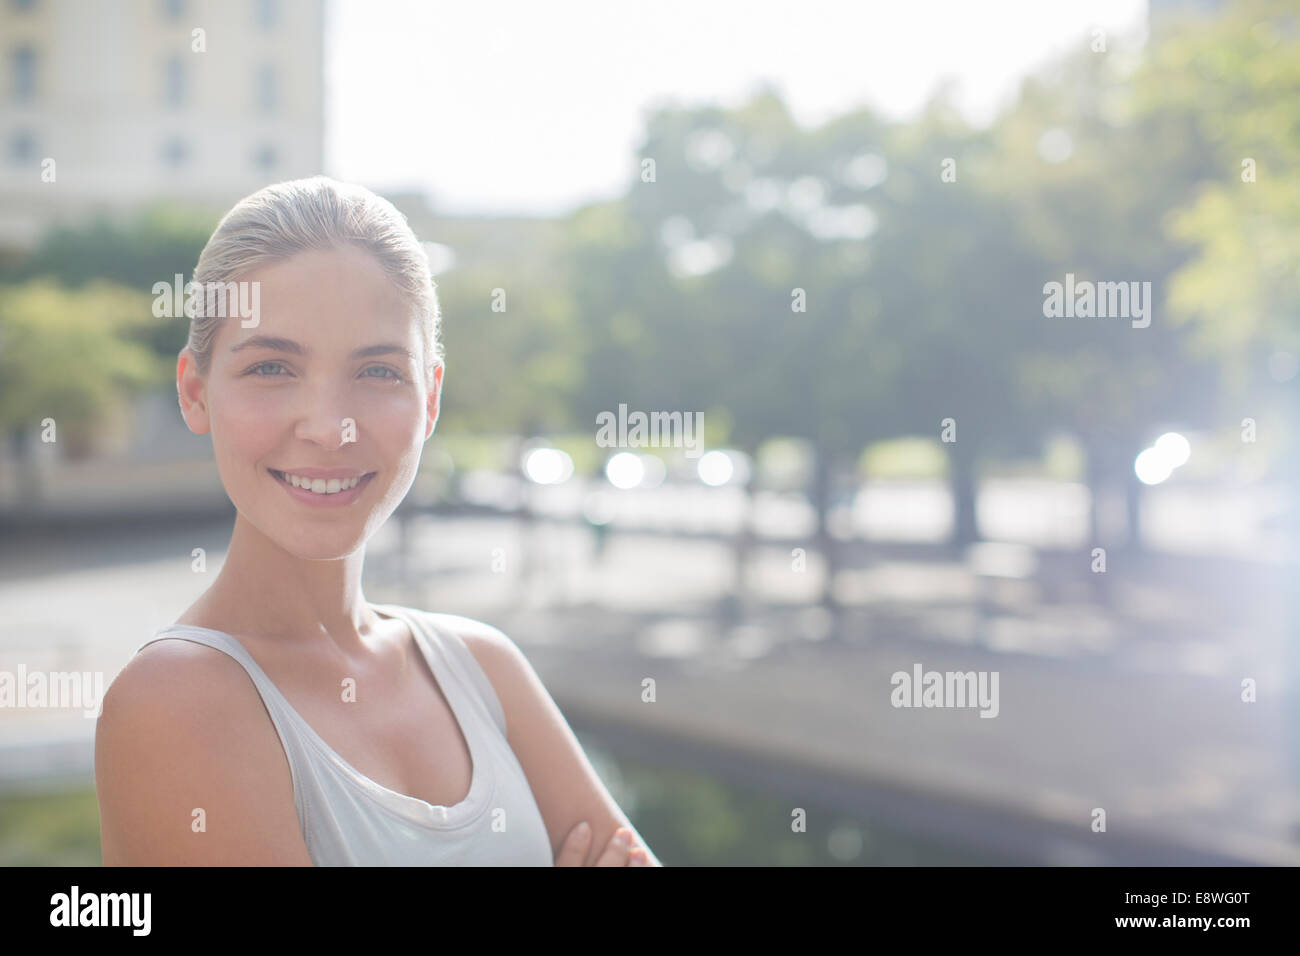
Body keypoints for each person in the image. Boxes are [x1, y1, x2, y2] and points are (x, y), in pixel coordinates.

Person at [94, 176, 661, 867]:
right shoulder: (175, 700)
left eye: (380, 373)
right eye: (272, 366)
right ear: (195, 392)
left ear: (430, 402)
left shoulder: (482, 668)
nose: (330, 429)